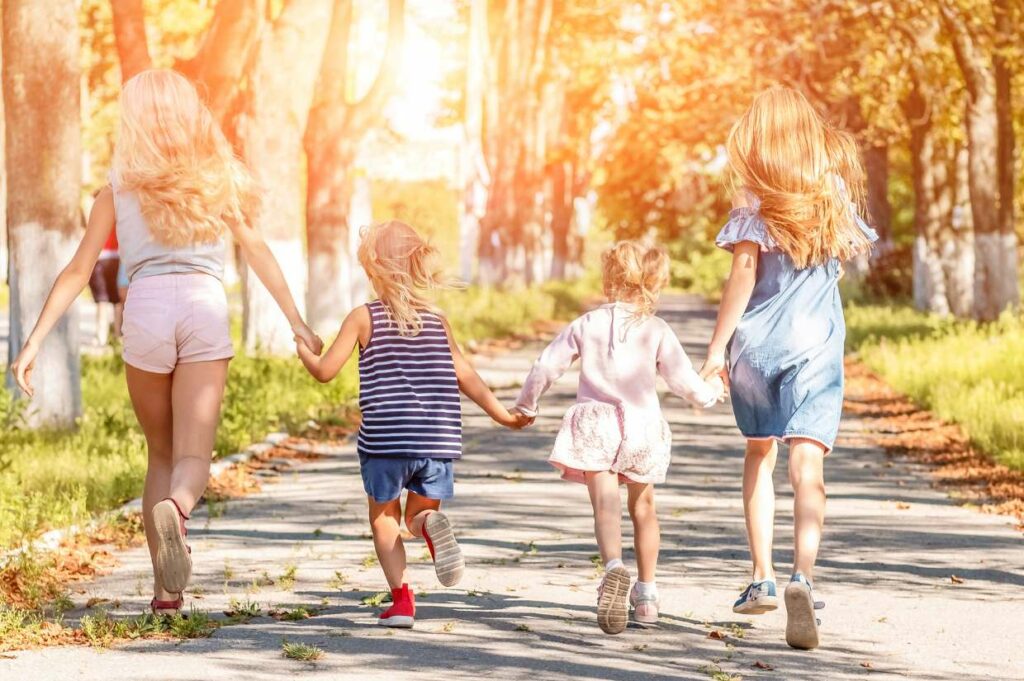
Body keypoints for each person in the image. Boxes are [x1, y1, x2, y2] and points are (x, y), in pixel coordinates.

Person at [10, 69, 322, 616]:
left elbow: (79, 269)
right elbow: (258, 253)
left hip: (147, 309)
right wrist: (295, 321)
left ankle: (165, 594)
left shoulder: (115, 190)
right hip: (203, 305)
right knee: (193, 455)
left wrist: (33, 341)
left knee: (160, 451)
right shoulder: (215, 180)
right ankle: (178, 509)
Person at [699, 87, 877, 650]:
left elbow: (743, 276)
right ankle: (803, 574)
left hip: (757, 348)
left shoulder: (754, 198)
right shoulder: (831, 191)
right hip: (816, 347)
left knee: (760, 452)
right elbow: (849, 251)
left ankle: (762, 578)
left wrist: (714, 352)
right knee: (808, 465)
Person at [294, 220, 529, 629]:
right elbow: (465, 374)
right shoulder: (437, 319)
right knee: (416, 517)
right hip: (435, 439)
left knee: (384, 519)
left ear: (372, 268)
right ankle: (429, 525)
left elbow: (326, 371)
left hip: (386, 440)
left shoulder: (363, 318)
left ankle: (402, 601)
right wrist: (503, 415)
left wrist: (305, 350)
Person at [513, 241, 725, 635]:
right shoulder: (657, 329)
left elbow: (545, 366)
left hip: (596, 425)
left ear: (609, 279)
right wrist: (710, 392)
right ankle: (646, 595)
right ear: (652, 282)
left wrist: (526, 405)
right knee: (644, 509)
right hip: (643, 426)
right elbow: (684, 382)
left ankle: (613, 568)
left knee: (605, 508)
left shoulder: (587, 323)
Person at [86, 216, 121, 345]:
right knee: (116, 300)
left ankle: (102, 337)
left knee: (103, 299)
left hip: (101, 257)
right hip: (116, 256)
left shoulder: (97, 206)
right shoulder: (119, 206)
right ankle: (117, 336)